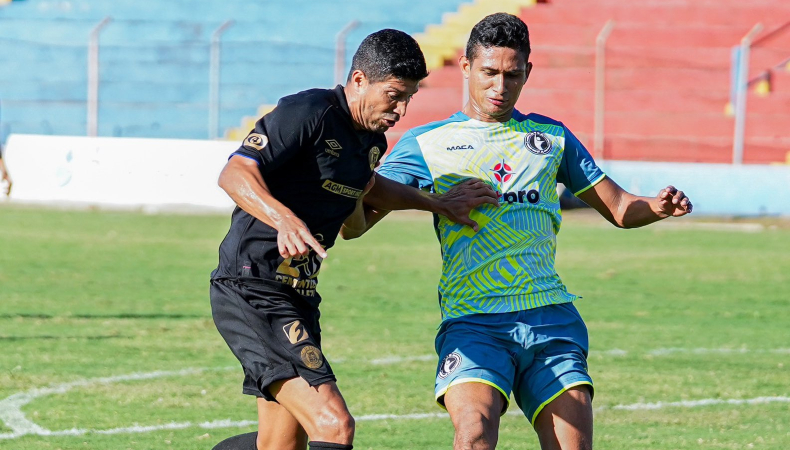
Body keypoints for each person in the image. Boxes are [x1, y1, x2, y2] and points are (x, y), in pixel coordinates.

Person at [343, 13, 693, 450]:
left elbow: (621, 208)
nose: (500, 86)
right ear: (466, 67)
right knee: (472, 437)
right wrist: (353, 177)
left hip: (551, 320)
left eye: (512, 74)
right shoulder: (426, 143)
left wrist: (657, 207)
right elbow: (360, 213)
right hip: (474, 321)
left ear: (528, 72)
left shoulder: (551, 138)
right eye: (489, 72)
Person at [209, 29, 497, 450]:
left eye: (409, 99)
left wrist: (439, 204)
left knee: (282, 444)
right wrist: (284, 219)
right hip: (253, 288)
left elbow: (365, 204)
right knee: (334, 426)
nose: (400, 110)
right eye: (394, 96)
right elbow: (234, 173)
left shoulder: (370, 142)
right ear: (359, 80)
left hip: (299, 297)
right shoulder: (309, 111)